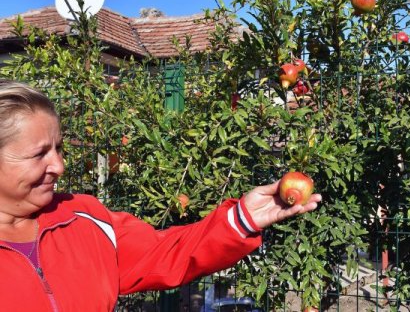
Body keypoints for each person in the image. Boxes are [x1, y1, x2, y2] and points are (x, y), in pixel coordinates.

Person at [0, 79, 321, 311]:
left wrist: (243, 219)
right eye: (39, 154)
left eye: (59, 148)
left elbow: (163, 253)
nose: (59, 165)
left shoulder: (82, 216)